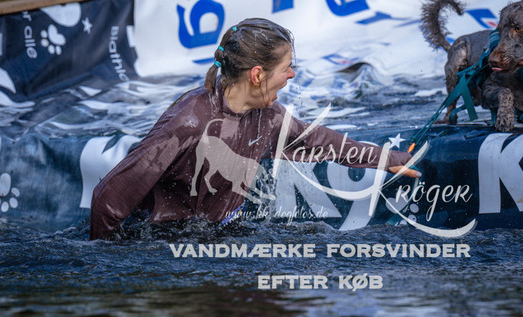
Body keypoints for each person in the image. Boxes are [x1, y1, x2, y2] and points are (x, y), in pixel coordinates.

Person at [90, 18, 420, 240]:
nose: (292, 75)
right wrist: (111, 272)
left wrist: (387, 157)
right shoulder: (189, 121)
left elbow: (318, 141)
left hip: (216, 237)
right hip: (164, 245)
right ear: (257, 75)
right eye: (286, 68)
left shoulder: (269, 117)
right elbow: (108, 198)